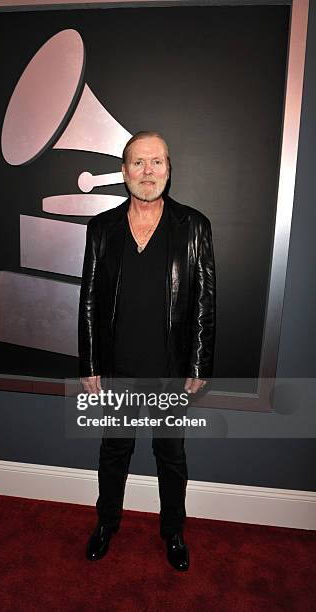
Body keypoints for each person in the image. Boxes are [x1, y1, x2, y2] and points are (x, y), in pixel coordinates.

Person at [78, 131, 216, 571]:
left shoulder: (194, 227)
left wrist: (199, 362)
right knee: (113, 451)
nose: (148, 172)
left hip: (169, 370)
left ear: (169, 169)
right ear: (124, 172)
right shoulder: (101, 229)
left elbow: (204, 302)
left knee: (170, 456)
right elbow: (88, 302)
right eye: (138, 163)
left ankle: (173, 531)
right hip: (118, 369)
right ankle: (106, 524)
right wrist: (92, 363)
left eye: (157, 162)